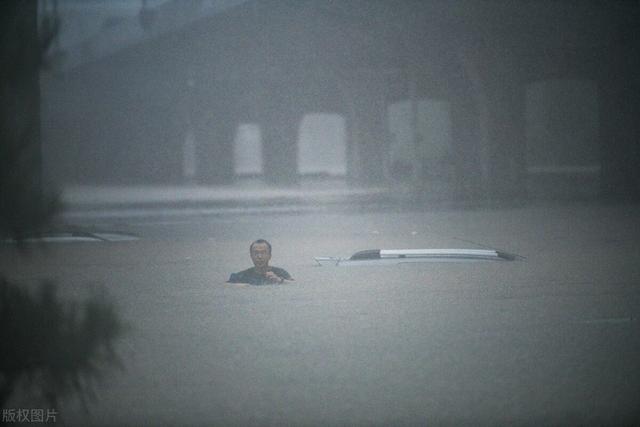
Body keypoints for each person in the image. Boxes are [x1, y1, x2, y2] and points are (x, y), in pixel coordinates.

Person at [227, 239, 293, 285]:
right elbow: (224, 286)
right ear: (251, 256)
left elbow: (295, 285)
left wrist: (279, 281)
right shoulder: (242, 276)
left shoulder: (280, 273)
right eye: (256, 253)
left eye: (263, 253)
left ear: (270, 255)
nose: (259, 256)